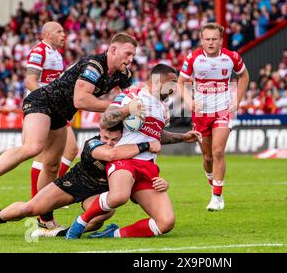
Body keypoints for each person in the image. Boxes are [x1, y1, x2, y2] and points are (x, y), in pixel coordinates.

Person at [0, 33, 137, 229]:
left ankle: (45, 218)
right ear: (113, 50)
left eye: (133, 55)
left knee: (51, 166)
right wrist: (118, 108)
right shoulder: (95, 65)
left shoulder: (123, 74)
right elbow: (80, 100)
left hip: (61, 114)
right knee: (34, 146)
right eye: (128, 54)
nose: (131, 59)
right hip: (42, 101)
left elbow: (130, 97)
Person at [65, 64, 202, 239]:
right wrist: (127, 110)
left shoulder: (162, 108)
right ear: (158, 81)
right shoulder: (131, 96)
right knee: (119, 196)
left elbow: (155, 136)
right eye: (172, 83)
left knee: (166, 222)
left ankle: (111, 234)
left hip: (148, 167)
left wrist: (183, 137)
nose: (174, 88)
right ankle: (81, 222)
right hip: (125, 159)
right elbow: (105, 121)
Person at [0, 123, 165, 238]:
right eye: (106, 137)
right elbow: (111, 154)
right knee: (31, 209)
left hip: (98, 192)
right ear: (100, 130)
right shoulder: (93, 143)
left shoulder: (128, 149)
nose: (110, 142)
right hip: (75, 182)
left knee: (100, 217)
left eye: (114, 139)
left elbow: (139, 182)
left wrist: (162, 182)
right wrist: (147, 144)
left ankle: (55, 234)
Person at [177, 22, 249, 211]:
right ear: (201, 40)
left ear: (220, 40)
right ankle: (215, 188)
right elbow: (181, 81)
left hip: (222, 110)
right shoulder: (193, 58)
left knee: (218, 152)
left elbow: (245, 77)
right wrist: (188, 101)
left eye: (214, 39)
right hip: (200, 113)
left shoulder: (232, 57)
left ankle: (216, 196)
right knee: (207, 157)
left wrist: (237, 100)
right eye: (207, 39)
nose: (210, 43)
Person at [23, 21, 79, 228]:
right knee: (43, 156)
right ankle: (38, 202)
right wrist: (44, 106)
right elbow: (31, 81)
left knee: (71, 149)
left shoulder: (56, 54)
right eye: (59, 31)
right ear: (46, 34)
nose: (64, 34)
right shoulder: (39, 51)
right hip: (42, 109)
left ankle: (51, 193)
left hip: (55, 108)